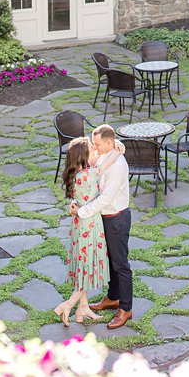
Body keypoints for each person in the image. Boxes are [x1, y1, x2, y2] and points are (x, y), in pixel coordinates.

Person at [71, 124, 133, 330]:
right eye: (93, 144)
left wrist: (81, 212)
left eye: (97, 144)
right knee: (111, 260)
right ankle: (113, 297)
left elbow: (105, 199)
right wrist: (118, 145)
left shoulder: (117, 166)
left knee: (121, 264)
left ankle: (126, 308)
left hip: (116, 218)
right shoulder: (107, 153)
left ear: (107, 143)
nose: (94, 148)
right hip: (105, 218)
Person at [54, 137, 108, 327]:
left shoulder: (77, 175)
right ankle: (67, 305)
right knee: (87, 267)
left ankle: (82, 309)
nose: (96, 153)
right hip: (90, 226)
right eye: (92, 151)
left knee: (83, 266)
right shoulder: (89, 174)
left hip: (80, 225)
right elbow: (105, 165)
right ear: (84, 157)